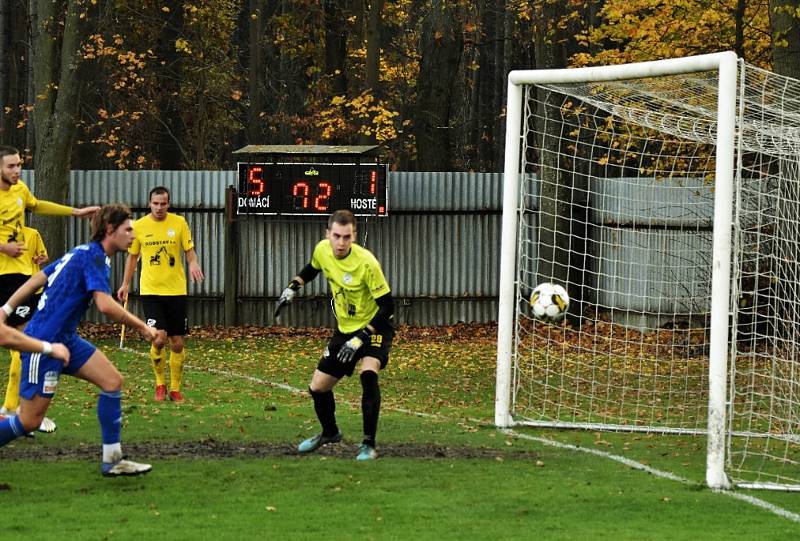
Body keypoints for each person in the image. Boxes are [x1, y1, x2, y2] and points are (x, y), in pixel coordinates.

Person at [0, 204, 158, 477]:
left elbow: (37, 278)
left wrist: (4, 309)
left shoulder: (83, 253)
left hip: (67, 341)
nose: (133, 235)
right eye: (128, 229)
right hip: (43, 344)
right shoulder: (93, 257)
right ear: (110, 230)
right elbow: (105, 305)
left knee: (112, 382)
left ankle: (113, 460)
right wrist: (142, 327)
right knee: (28, 421)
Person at [277, 209, 395, 461]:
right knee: (318, 388)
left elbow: (388, 306)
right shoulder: (322, 250)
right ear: (328, 234)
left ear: (354, 236)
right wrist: (293, 287)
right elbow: (312, 268)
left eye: (347, 237)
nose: (341, 243)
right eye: (337, 236)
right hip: (345, 330)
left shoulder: (367, 263)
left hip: (375, 328)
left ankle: (368, 444)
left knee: (368, 373)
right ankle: (330, 433)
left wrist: (362, 336)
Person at [0, 145, 99, 430]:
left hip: (20, 278)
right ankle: (15, 410)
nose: (17, 170)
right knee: (25, 342)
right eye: (11, 166)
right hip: (4, 278)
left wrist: (76, 212)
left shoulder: (20, 190)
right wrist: (4, 247)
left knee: (25, 342)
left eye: (19, 165)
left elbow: (37, 204)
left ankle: (15, 408)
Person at [116, 186, 204, 403]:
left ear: (168, 204)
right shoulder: (139, 226)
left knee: (177, 343)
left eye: (163, 203)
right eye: (155, 203)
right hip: (151, 291)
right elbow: (133, 257)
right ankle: (159, 385)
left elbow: (189, 252)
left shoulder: (179, 223)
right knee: (158, 338)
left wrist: (194, 263)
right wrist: (125, 284)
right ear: (149, 204)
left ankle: (175, 389)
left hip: (176, 290)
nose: (159, 207)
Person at [0, 226, 54, 432]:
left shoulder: (32, 234)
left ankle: (15, 409)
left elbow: (42, 256)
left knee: (25, 347)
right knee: (24, 348)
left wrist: (40, 260)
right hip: (7, 291)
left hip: (28, 292)